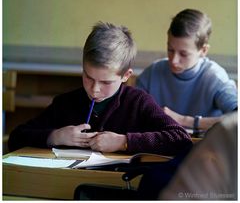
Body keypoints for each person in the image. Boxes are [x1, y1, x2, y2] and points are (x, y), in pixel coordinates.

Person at [8, 22, 192, 155]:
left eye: (106, 82)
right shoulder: (65, 103)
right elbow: (16, 137)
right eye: (88, 77)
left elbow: (181, 139)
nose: (94, 90)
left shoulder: (138, 102)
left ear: (125, 76)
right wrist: (54, 137)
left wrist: (123, 142)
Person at [136, 9, 237, 135]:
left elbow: (236, 119)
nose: (174, 60)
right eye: (170, 50)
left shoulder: (215, 77)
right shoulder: (152, 72)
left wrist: (184, 120)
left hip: (203, 150)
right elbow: (131, 113)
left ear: (203, 50)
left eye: (183, 54)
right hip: (157, 148)